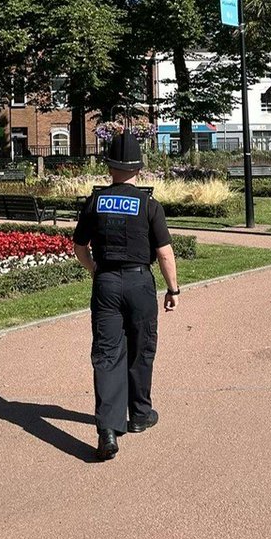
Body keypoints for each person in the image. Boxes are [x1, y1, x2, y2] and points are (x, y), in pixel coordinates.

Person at [72, 131, 180, 461]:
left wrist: (96, 270)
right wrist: (173, 289)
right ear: (138, 168)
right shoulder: (149, 205)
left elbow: (79, 247)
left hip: (105, 283)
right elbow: (164, 254)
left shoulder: (95, 202)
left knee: (106, 353)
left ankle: (108, 428)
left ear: (110, 167)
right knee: (141, 348)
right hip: (139, 284)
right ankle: (140, 414)